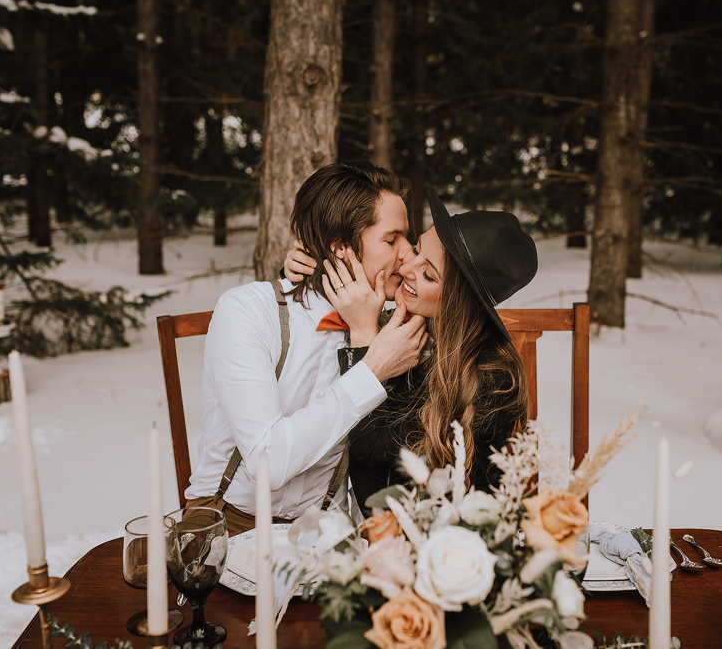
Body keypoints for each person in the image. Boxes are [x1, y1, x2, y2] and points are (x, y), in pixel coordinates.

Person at [183, 162, 428, 532]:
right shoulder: (248, 310)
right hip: (226, 524)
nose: (408, 253)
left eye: (406, 238)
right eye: (392, 239)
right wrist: (371, 370)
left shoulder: (391, 329)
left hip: (326, 531)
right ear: (341, 248)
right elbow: (269, 463)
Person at [287, 185, 538, 513]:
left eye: (428, 274)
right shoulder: (410, 325)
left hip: (447, 544)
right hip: (379, 533)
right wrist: (307, 269)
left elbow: (369, 445)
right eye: (417, 249)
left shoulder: (490, 377)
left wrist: (364, 335)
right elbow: (348, 297)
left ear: (455, 301)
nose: (406, 267)